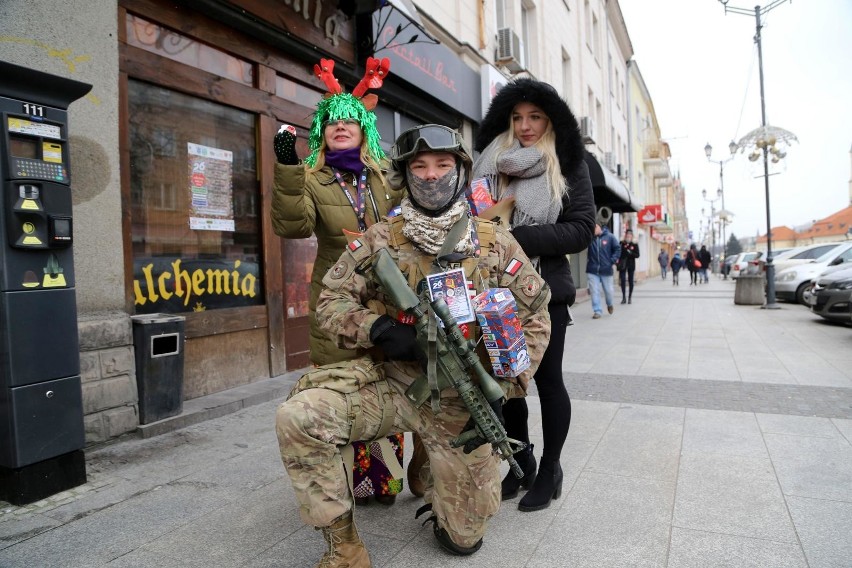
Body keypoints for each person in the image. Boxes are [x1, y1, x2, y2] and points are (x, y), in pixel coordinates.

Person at [275, 125, 552, 564]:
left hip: (462, 402)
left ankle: (435, 476)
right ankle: (344, 546)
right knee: (300, 418)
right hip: (395, 385)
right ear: (405, 175)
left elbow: (535, 316)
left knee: (464, 540)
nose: (431, 175)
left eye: (443, 165)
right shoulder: (381, 238)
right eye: (419, 167)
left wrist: (508, 384)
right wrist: (380, 330)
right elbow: (330, 301)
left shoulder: (493, 240)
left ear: (461, 171)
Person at [270, 57, 407, 507]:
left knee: (391, 380)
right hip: (338, 304)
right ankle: (358, 483)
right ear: (322, 134)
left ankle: (389, 478)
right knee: (345, 388)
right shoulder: (311, 179)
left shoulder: (387, 179)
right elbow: (291, 228)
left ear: (365, 128)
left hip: (392, 302)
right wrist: (289, 171)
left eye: (351, 120)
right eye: (332, 123)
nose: (341, 127)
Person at [471, 78, 596, 512]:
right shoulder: (490, 162)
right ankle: (520, 461)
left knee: (546, 381)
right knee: (507, 384)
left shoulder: (568, 162)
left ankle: (551, 467)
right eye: (518, 117)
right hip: (493, 293)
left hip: (543, 293)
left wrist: (514, 237)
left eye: (535, 117)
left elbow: (581, 229)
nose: (526, 126)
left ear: (551, 119)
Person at [586, 223, 621, 319]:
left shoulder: (610, 237)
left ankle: (609, 304)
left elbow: (617, 249)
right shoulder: (590, 238)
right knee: (594, 291)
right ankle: (597, 311)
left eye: (595, 227)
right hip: (592, 270)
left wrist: (611, 261)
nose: (593, 229)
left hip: (606, 269)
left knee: (609, 291)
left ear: (599, 227)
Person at [617, 228, 640, 304]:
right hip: (622, 264)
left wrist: (630, 253)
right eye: (627, 234)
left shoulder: (634, 244)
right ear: (625, 235)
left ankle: (630, 297)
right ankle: (623, 297)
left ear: (632, 235)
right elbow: (618, 253)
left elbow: (637, 255)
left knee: (631, 281)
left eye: (630, 234)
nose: (629, 235)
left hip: (631, 265)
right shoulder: (621, 243)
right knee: (622, 280)